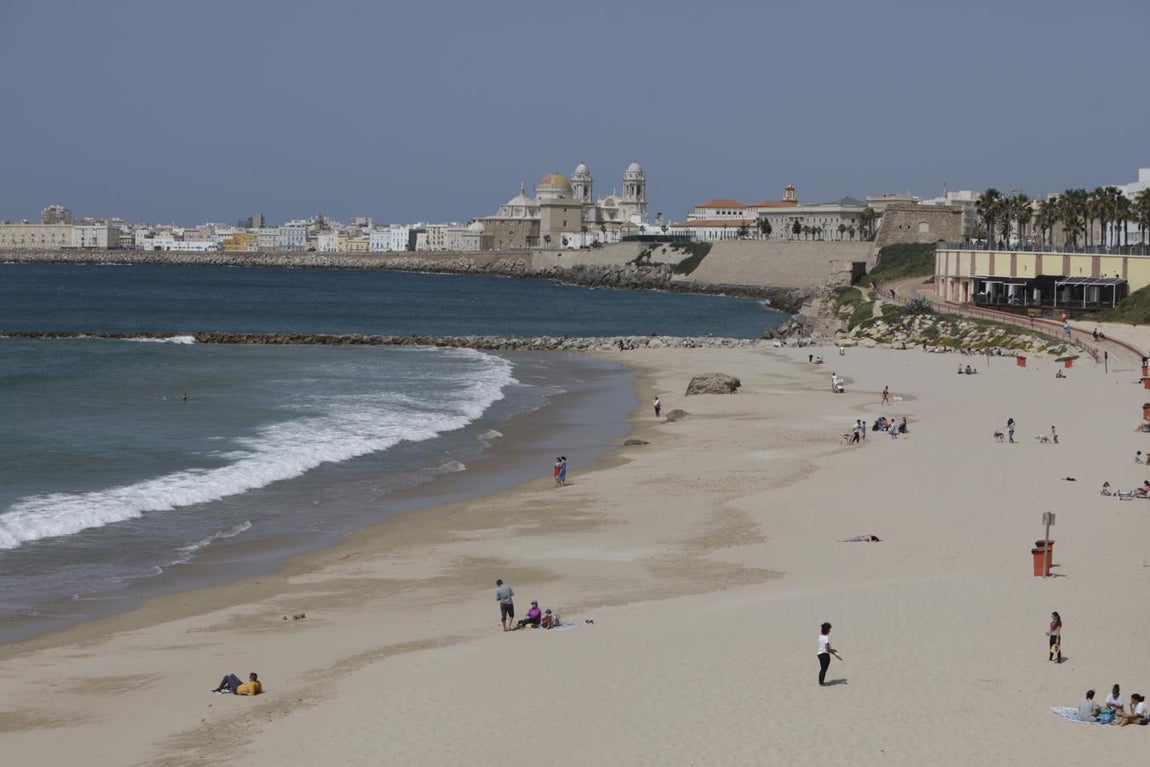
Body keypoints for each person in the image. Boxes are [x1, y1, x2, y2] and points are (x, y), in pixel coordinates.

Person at [817, 622, 842, 686]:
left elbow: (823, 647)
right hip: (825, 655)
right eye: (829, 629)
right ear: (827, 630)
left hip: (819, 654)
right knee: (824, 669)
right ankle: (821, 683)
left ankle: (820, 682)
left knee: (822, 669)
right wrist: (833, 650)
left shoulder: (820, 637)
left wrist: (831, 651)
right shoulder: (826, 638)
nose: (830, 631)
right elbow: (827, 649)